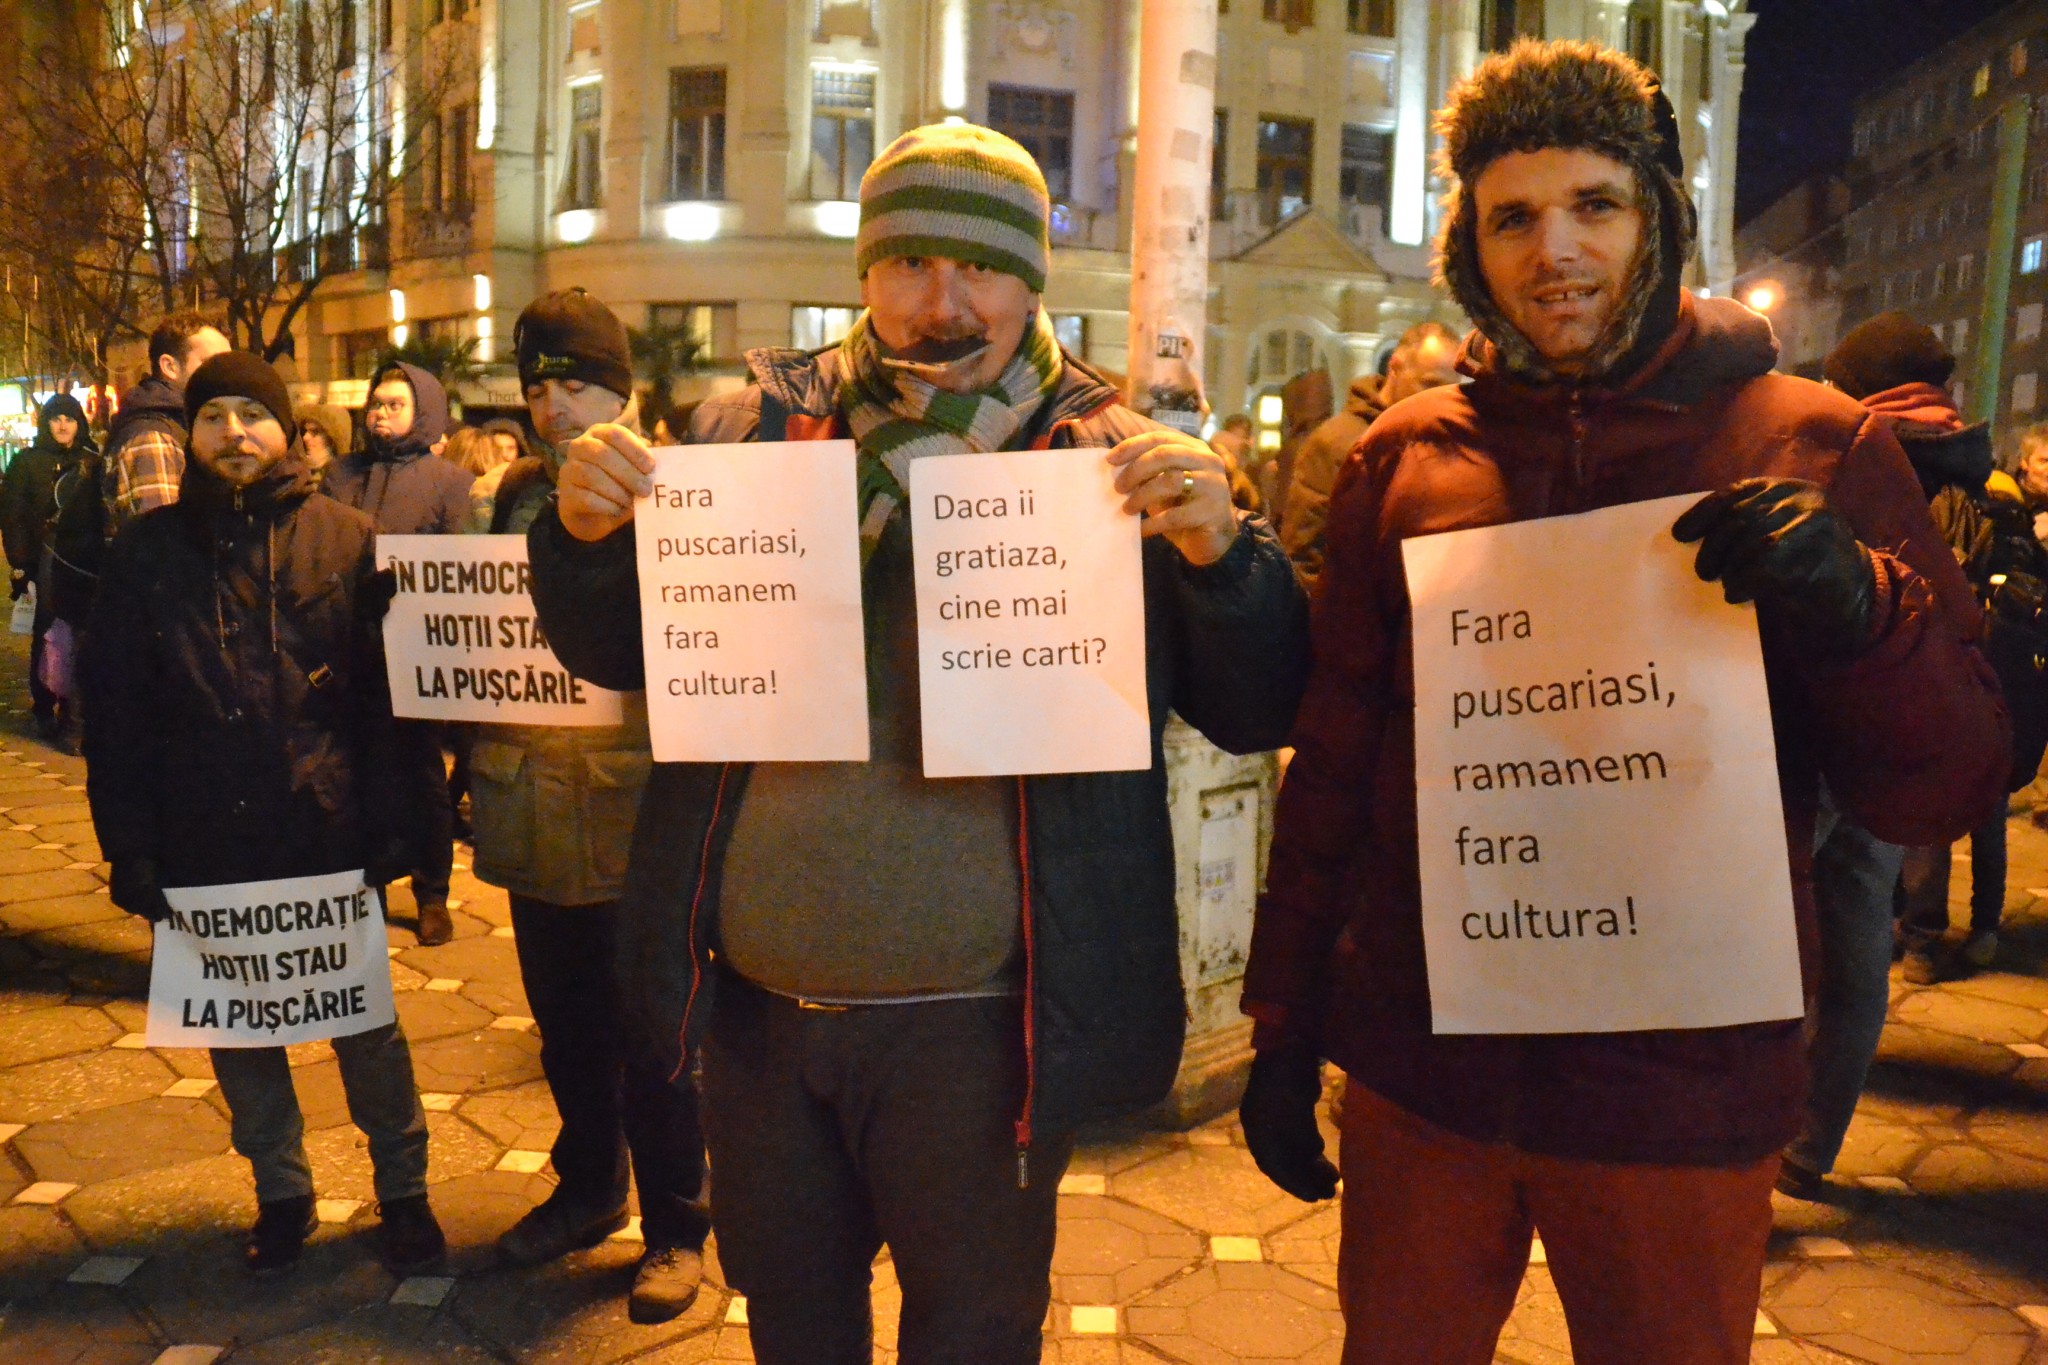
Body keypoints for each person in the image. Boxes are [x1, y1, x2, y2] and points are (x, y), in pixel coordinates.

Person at [1239, 40, 2008, 1365]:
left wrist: (1864, 613)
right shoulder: (1405, 460)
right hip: (1431, 1082)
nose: (1555, 251)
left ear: (1656, 214)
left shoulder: (1812, 444)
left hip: (1676, 1097)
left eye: (1593, 204)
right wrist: (1282, 1023)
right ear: (1469, 245)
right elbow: (1338, 766)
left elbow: (1948, 781)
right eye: (1512, 217)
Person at [528, 124, 1309, 1365]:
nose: (941, 304)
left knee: (972, 1337)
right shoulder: (748, 435)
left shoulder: (1111, 463)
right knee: (794, 1328)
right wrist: (579, 542)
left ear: (1031, 280)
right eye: (907, 264)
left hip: (982, 1034)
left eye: (978, 267)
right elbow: (622, 654)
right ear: (864, 272)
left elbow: (1258, 707)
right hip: (760, 1017)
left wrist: (1225, 561)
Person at [77, 352, 444, 1278]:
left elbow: (385, 704)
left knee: (364, 1026)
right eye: (215, 417)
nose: (235, 433)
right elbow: (116, 712)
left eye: (253, 414)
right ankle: (281, 1192)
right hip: (202, 835)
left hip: (324, 825)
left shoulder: (346, 538)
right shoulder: (145, 554)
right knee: (240, 1031)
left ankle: (404, 1189)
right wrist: (131, 846)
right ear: (191, 434)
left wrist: (399, 825)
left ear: (285, 430)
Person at [457, 288, 712, 1324]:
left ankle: (678, 1223)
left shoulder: (677, 491)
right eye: (537, 389)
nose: (553, 406)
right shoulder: (516, 493)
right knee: (564, 1025)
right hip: (532, 805)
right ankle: (589, 1186)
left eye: (575, 384)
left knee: (657, 1033)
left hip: (635, 810)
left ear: (623, 390)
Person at [1823, 312, 2048, 982]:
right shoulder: (1973, 466)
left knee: (1851, 882)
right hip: (1963, 682)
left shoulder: (1864, 456)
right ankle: (1937, 933)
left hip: (1871, 687)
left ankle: (1918, 935)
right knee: (1930, 830)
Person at [323, 363, 474, 946]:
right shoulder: (341, 474)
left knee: (422, 778)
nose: (380, 413)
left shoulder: (449, 482)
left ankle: (431, 892)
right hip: (349, 653)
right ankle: (371, 888)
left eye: (395, 404)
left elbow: (463, 569)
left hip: (417, 656)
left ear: (423, 411)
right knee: (357, 775)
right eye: (376, 403)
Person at [1281, 321, 1461, 587]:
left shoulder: (1446, 442)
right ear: (1395, 367)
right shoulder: (1336, 443)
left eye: (1449, 391)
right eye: (1429, 384)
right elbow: (1305, 552)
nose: (1438, 399)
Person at [0, 394, 94, 735]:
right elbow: (13, 516)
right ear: (46, 423)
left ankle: (73, 705)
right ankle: (43, 703)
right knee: (45, 632)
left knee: (79, 634)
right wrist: (20, 563)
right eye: (57, 418)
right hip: (43, 563)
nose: (63, 425)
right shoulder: (26, 462)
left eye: (70, 418)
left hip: (82, 564)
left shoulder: (91, 460)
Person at [101, 311, 230, 533]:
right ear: (170, 366)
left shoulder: (182, 424)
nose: (225, 374)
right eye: (212, 363)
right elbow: (160, 542)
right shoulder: (153, 438)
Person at [292, 403, 352, 491]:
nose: (305, 437)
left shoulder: (347, 484)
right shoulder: (297, 478)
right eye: (304, 431)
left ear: (332, 439)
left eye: (315, 432)